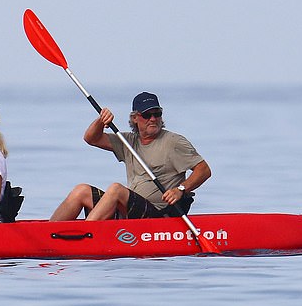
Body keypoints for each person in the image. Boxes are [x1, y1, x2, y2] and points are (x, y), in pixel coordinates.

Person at [50, 91, 211, 221]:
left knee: (116, 189)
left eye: (157, 114)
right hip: (130, 212)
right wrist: (101, 121)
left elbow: (203, 170)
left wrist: (180, 189)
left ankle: (87, 235)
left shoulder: (174, 142)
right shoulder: (128, 141)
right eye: (147, 115)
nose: (153, 119)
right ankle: (49, 233)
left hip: (160, 214)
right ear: (135, 118)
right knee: (81, 190)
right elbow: (91, 138)